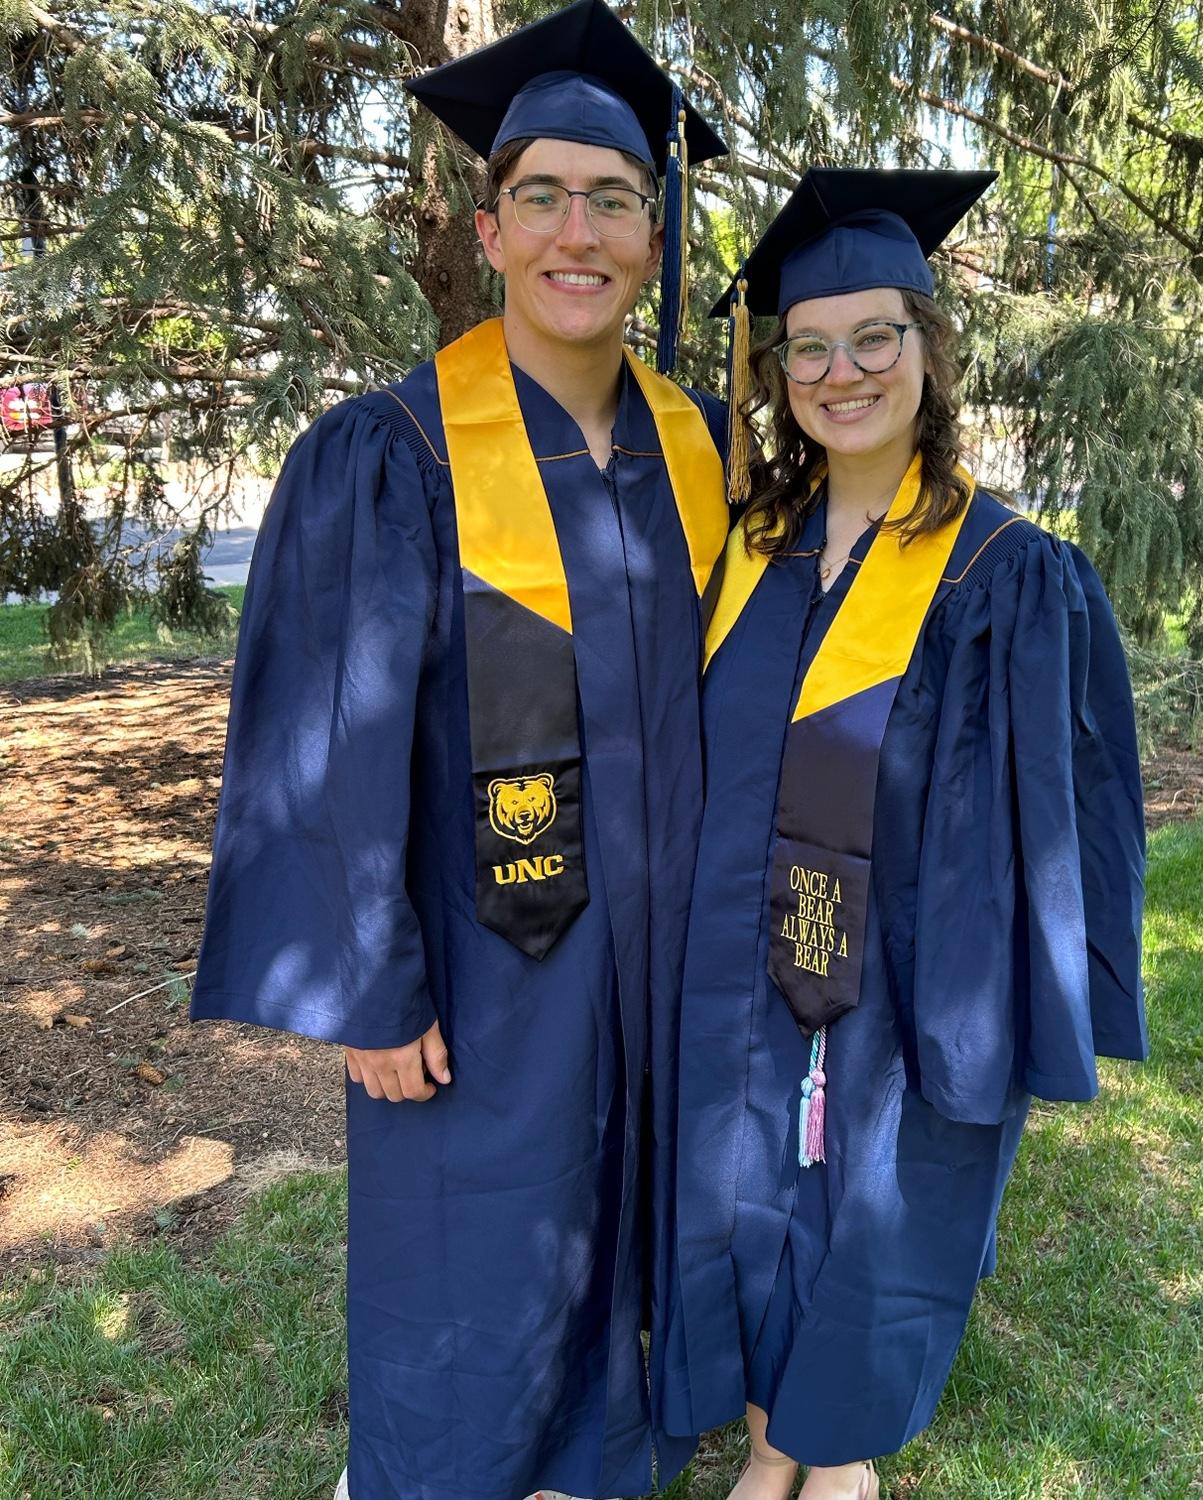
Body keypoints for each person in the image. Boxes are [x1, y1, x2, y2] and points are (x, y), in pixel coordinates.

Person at [190, 3, 732, 1496]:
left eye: (613, 198)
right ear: (488, 233)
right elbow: (330, 736)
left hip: (661, 948)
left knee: (622, 1206)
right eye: (543, 195)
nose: (579, 231)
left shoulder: (702, 446)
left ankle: (595, 1459)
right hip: (487, 955)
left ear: (654, 238)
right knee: (470, 1232)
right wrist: (369, 986)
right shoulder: (395, 451)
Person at [660, 169, 1149, 1499]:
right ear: (778, 375)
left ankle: (843, 1456)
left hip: (911, 966)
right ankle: (771, 1441)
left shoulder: (1006, 572)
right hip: (737, 956)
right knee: (743, 1188)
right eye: (809, 348)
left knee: (871, 1197)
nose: (843, 373)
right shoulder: (746, 548)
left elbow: (1066, 809)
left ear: (929, 351)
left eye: (874, 338)